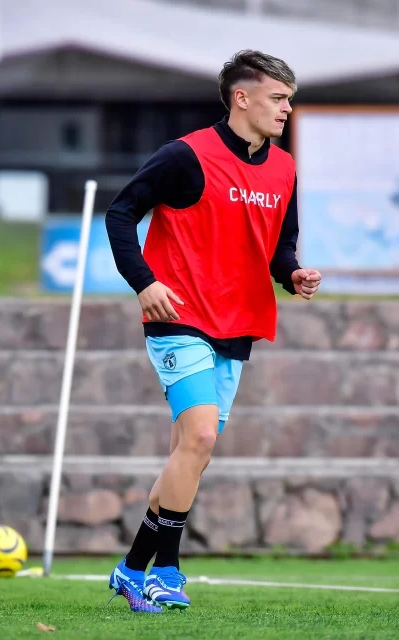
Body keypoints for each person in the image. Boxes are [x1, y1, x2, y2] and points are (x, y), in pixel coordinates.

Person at [104, 49, 322, 613]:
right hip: (178, 317)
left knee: (191, 454)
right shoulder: (186, 156)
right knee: (199, 438)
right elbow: (121, 214)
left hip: (237, 323)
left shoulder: (284, 168)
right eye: (278, 98)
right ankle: (168, 572)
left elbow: (279, 248)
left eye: (290, 98)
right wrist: (144, 282)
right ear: (241, 98)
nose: (287, 108)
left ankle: (132, 569)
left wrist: (292, 274)